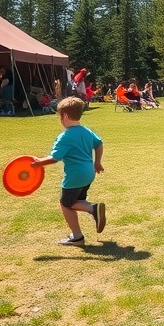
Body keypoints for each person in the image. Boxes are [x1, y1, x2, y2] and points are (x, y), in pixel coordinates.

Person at [31, 95, 106, 246]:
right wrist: (97, 162)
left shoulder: (64, 136)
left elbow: (55, 158)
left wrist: (39, 162)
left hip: (75, 176)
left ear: (64, 115)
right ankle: (89, 212)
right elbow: (99, 144)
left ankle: (80, 232)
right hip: (89, 173)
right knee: (77, 201)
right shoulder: (86, 131)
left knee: (66, 204)